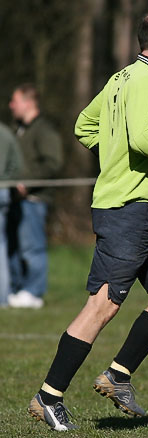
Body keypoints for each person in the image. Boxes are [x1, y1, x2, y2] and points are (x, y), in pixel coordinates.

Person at [27, 10, 148, 431]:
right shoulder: (147, 80)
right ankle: (48, 396)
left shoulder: (121, 78)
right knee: (102, 305)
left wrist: (113, 149)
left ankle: (118, 374)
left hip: (146, 207)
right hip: (126, 209)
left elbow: (84, 125)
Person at [7, 83, 64, 309]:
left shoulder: (44, 130)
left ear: (28, 103)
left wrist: (26, 184)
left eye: (15, 101)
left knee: (33, 247)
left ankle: (34, 291)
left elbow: (53, 163)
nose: (11, 106)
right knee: (14, 247)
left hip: (34, 199)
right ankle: (18, 288)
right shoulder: (17, 129)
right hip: (14, 199)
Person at [0, 122, 23, 307]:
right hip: (4, 190)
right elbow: (17, 165)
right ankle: (3, 296)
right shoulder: (7, 133)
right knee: (1, 245)